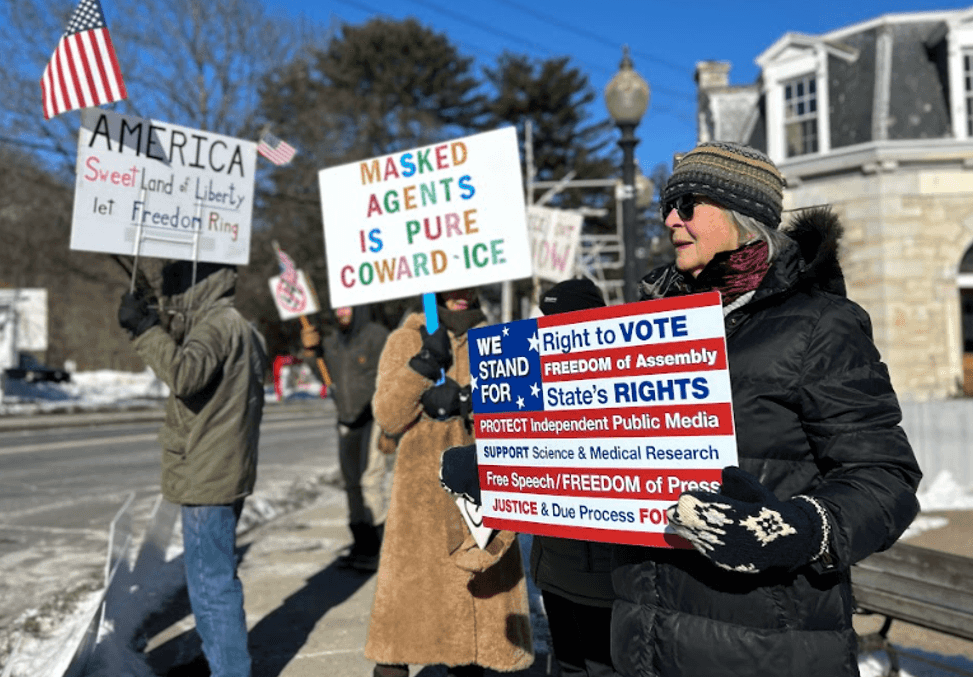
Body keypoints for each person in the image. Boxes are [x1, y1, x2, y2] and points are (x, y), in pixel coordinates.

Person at [609, 141, 922, 676]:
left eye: (687, 204)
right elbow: (604, 455)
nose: (669, 220)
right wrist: (509, 471)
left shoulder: (819, 325)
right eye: (666, 206)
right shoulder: (652, 330)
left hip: (767, 645)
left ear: (744, 215)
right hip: (649, 642)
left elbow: (884, 477)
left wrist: (800, 528)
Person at [364, 287, 533, 677]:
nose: (461, 295)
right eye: (453, 288)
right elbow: (387, 417)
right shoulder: (405, 338)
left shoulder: (496, 339)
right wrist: (421, 368)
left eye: (469, 287)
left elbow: (519, 420)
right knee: (404, 625)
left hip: (477, 487)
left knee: (474, 612)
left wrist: (481, 408)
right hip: (421, 495)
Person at [117, 260, 266, 677]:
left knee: (210, 584)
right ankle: (221, 658)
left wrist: (145, 331)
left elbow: (185, 374)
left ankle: (229, 670)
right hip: (225, 468)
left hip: (209, 475)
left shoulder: (217, 326)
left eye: (176, 286)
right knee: (215, 578)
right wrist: (149, 315)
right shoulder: (239, 326)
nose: (171, 296)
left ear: (196, 285)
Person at [530, 278, 617, 677]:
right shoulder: (532, 384)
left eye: (561, 321)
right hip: (553, 568)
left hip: (605, 575)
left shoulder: (621, 384)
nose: (552, 332)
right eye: (546, 321)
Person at [300, 304, 392, 572]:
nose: (342, 314)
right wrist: (310, 351)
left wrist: (390, 427)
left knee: (370, 481)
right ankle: (361, 544)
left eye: (347, 309)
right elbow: (322, 373)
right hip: (345, 419)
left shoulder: (377, 336)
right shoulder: (332, 342)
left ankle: (379, 546)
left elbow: (390, 378)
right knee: (351, 483)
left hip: (373, 417)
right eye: (338, 310)